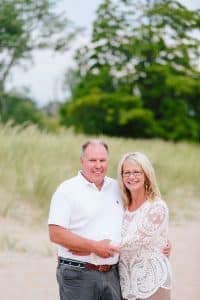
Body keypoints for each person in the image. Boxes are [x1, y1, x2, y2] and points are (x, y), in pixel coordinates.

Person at [48, 140, 170, 300]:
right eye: (92, 160)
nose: (98, 165)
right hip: (78, 274)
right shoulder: (67, 190)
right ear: (82, 161)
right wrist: (93, 247)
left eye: (102, 160)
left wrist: (161, 242)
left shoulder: (117, 188)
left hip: (113, 275)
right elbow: (55, 234)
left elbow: (141, 220)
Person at [117, 152, 172, 300]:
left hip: (152, 283)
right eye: (126, 173)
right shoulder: (121, 207)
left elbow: (136, 240)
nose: (131, 176)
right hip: (125, 284)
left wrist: (94, 248)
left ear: (146, 175)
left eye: (136, 172)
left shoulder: (156, 207)